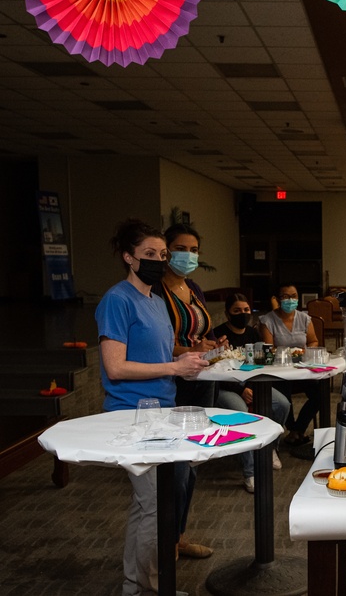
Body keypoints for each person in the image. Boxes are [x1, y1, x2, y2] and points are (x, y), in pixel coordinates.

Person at [96, 219, 209, 595]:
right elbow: (115, 366)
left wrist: (187, 366)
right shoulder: (117, 300)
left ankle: (138, 585)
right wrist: (175, 367)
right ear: (129, 258)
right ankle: (148, 588)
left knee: (155, 502)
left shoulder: (157, 301)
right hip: (132, 414)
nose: (158, 261)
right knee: (155, 505)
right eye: (149, 255)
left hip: (163, 411)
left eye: (162, 255)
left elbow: (161, 359)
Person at [152, 223, 220, 559]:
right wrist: (188, 353)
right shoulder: (154, 292)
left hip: (200, 382)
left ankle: (179, 536)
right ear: (166, 252)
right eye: (182, 248)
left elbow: (194, 334)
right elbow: (160, 345)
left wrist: (207, 346)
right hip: (172, 382)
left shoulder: (191, 287)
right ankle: (164, 545)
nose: (189, 256)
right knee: (175, 469)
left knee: (192, 462)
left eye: (194, 250)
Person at [213, 293, 291, 492]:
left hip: (253, 384)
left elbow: (260, 364)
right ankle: (250, 471)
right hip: (225, 387)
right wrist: (240, 390)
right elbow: (214, 369)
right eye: (237, 311)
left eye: (246, 310)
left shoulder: (253, 333)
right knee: (241, 413)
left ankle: (271, 448)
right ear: (228, 313)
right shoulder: (218, 334)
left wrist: (252, 387)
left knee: (282, 404)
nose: (243, 314)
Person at [260, 283, 321, 447]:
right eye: (285, 296)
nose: (290, 300)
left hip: (302, 369)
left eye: (293, 296)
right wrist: (287, 354)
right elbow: (269, 348)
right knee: (284, 398)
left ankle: (297, 430)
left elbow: (313, 341)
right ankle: (293, 430)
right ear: (278, 299)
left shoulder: (304, 318)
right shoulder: (268, 320)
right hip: (279, 371)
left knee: (319, 393)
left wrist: (306, 351)